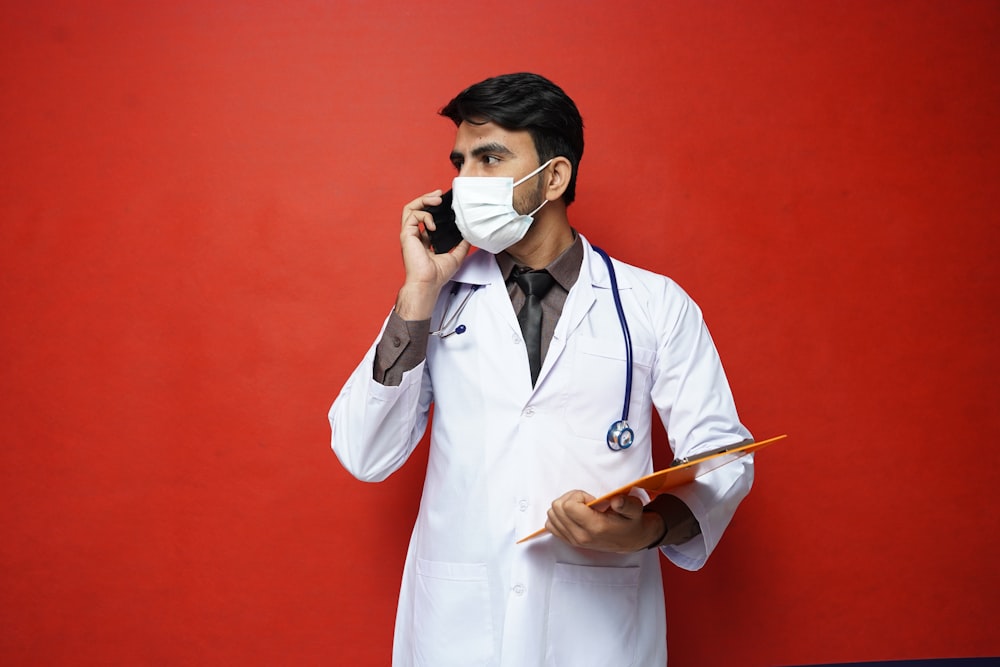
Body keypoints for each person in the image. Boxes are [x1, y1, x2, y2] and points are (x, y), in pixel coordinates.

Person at [329, 72, 753, 667]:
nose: (464, 182)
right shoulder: (436, 300)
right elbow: (363, 452)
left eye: (490, 158)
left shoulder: (655, 304)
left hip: (597, 629)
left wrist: (642, 531)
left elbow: (724, 457)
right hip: (458, 629)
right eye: (460, 162)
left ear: (553, 177)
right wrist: (418, 292)